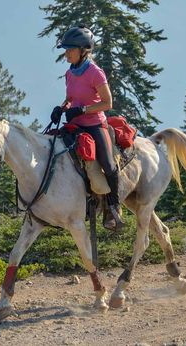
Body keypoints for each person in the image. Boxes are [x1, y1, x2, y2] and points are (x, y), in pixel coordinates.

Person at [50, 25, 124, 231]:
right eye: (66, 50)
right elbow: (70, 99)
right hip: (75, 126)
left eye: (70, 50)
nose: (66, 53)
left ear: (83, 50)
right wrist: (61, 108)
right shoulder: (70, 73)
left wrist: (83, 110)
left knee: (108, 166)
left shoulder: (95, 73)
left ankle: (113, 208)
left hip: (95, 125)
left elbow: (108, 104)